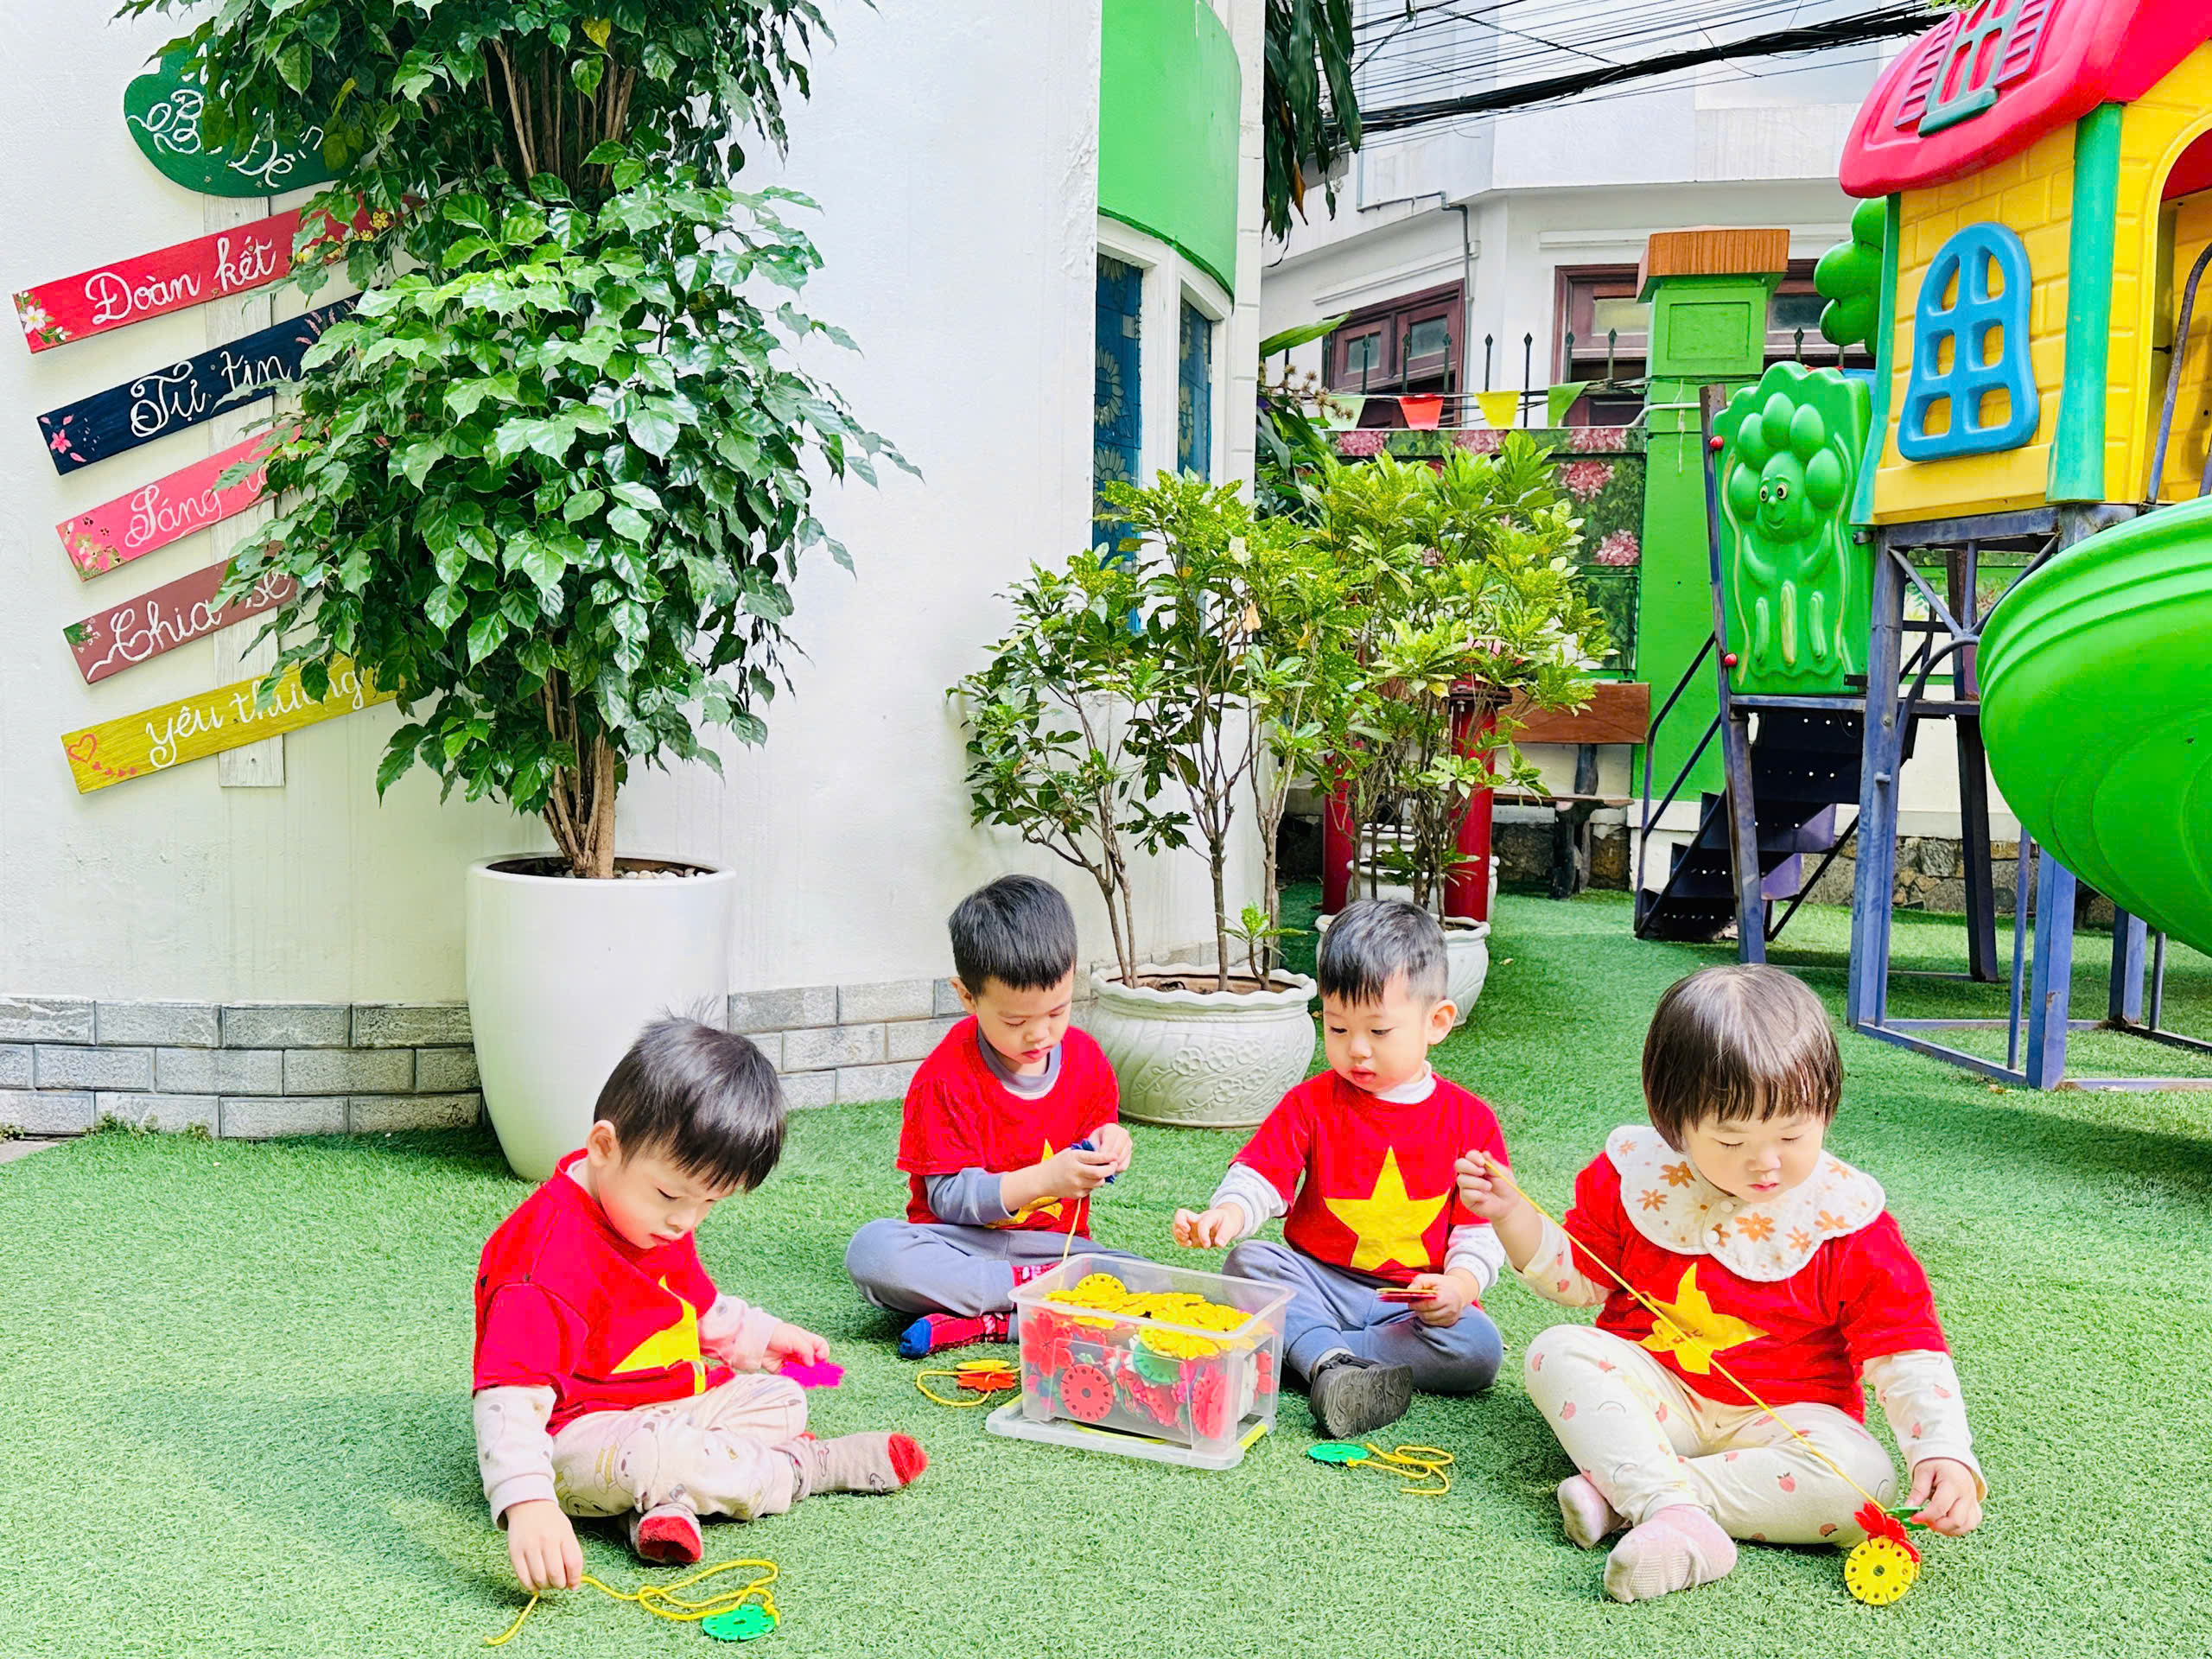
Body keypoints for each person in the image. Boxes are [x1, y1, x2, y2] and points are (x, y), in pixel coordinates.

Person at [1457, 963, 1986, 1604]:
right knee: (1555, 1351)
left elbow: (1906, 1349)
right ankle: (1671, 1511)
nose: (1766, 1163)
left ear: (1826, 1106)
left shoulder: (1845, 1221)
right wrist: (1511, 1215)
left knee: (1864, 1482)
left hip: (1783, 1426)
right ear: (1673, 1122)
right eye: (1732, 1141)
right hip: (1656, 1399)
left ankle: (1636, 1497)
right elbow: (1577, 1281)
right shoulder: (1636, 1178)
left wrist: (1942, 1451)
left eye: (1792, 1134)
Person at [473, 1019, 926, 1594]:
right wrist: (529, 1503)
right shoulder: (542, 1263)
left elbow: (697, 1307)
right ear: (604, 1147)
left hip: (670, 1406)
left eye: (710, 1202)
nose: (685, 1221)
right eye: (671, 1195)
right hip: (579, 1434)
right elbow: (508, 1398)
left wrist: (761, 1337)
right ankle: (801, 1469)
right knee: (654, 1454)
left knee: (784, 1400)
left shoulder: (649, 1216)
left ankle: (664, 1505)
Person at [1173, 899, 1507, 1440]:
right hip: (1318, 1280)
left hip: (1409, 1306)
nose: (1357, 1051)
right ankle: (1328, 1362)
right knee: (1250, 1262)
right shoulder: (1311, 1102)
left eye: (1379, 1032)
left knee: (1479, 1348)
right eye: (1337, 1028)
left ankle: (1311, 1352)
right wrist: (1227, 1213)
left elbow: (1481, 1231)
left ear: (1437, 1022)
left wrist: (1459, 1286)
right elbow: (1262, 1175)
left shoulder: (1470, 1121)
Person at [845, 874, 1134, 1357]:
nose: (1040, 1035)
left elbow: (1094, 1147)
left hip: (1053, 1250)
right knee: (874, 1252)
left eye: (1057, 1012)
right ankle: (1039, 1298)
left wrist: (1111, 1147)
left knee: (1140, 1277)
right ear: (967, 997)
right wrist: (1046, 1179)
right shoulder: (944, 1078)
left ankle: (994, 1323)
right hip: (958, 1245)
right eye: (1016, 1021)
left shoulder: (1087, 1063)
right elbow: (948, 1201)